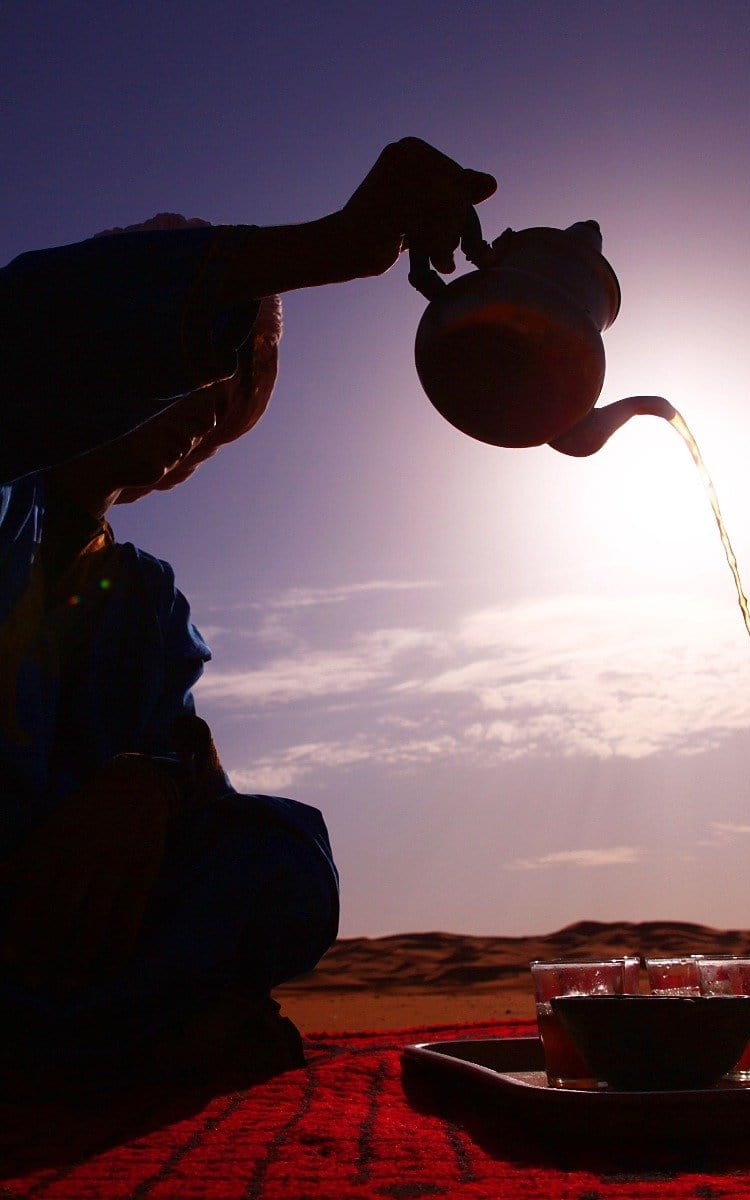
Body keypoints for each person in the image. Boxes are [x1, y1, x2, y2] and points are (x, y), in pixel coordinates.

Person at [0, 138, 496, 1092]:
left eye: (232, 402)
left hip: (56, 932)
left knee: (280, 858)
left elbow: (182, 776)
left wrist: (154, 781)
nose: (206, 414)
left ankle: (71, 1040)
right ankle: (95, 1043)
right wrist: (330, 248)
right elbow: (23, 329)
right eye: (197, 372)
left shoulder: (142, 599)